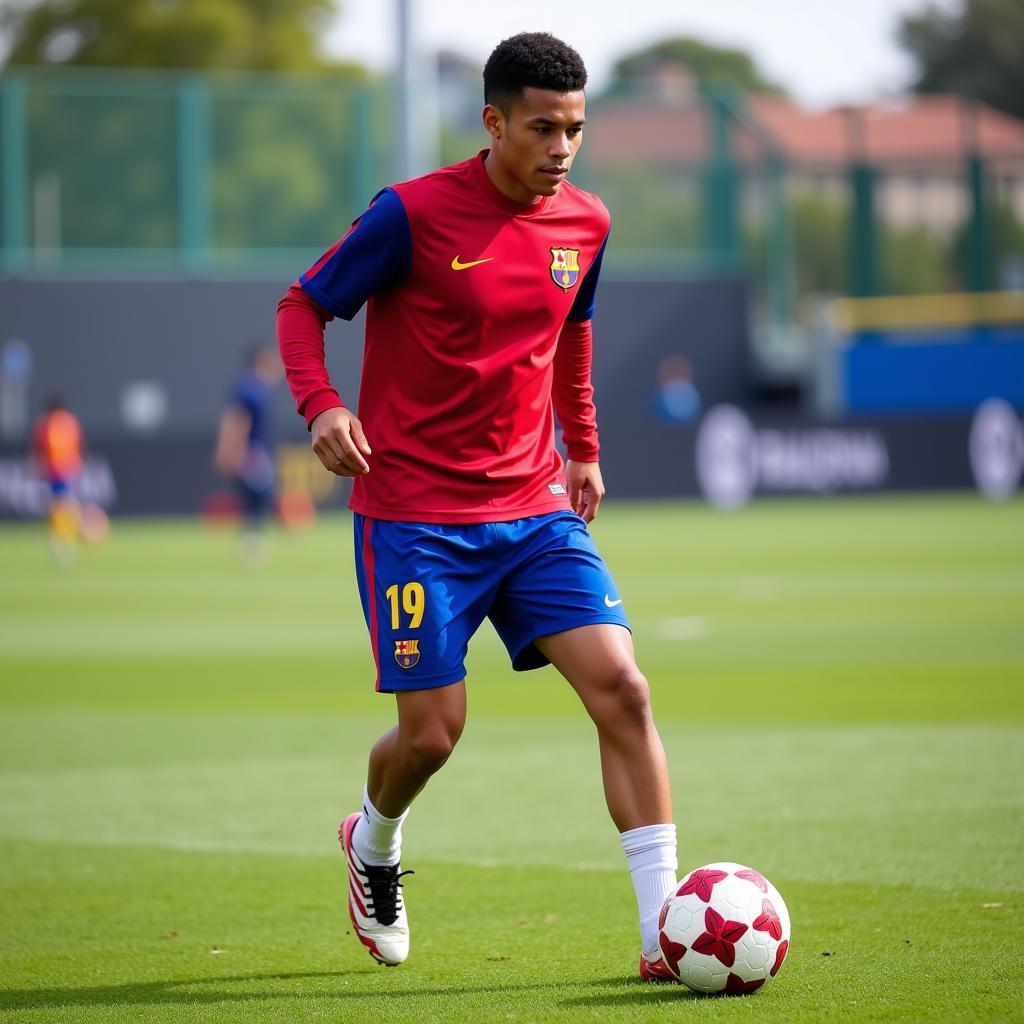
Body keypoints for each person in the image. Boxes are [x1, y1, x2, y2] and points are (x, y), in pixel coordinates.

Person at [276, 32, 679, 981]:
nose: (562, 148)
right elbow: (303, 307)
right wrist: (323, 404)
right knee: (432, 734)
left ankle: (666, 932)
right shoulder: (409, 215)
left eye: (576, 129)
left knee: (624, 689)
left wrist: (583, 447)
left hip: (536, 509)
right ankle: (373, 841)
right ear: (493, 121)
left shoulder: (588, 223)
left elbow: (573, 332)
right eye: (543, 128)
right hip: (414, 516)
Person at [214, 345, 282, 566]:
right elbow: (237, 420)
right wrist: (231, 450)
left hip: (254, 452)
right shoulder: (250, 389)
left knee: (256, 500)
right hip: (251, 453)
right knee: (257, 500)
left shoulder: (253, 387)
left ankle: (253, 544)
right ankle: (253, 547)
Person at [31, 396, 85, 565]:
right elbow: (79, 446)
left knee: (58, 508)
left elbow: (39, 448)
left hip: (55, 472)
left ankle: (62, 543)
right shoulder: (71, 422)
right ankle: (65, 541)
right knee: (64, 507)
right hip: (68, 470)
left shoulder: (46, 424)